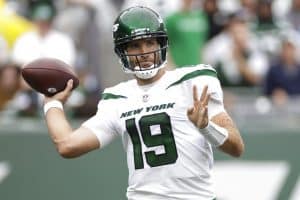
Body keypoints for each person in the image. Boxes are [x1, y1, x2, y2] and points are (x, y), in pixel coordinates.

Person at [43, 6, 244, 200]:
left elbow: (237, 147)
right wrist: (52, 104)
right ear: (123, 51)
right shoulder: (117, 98)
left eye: (150, 43)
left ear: (161, 44)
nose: (144, 51)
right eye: (135, 45)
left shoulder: (193, 81)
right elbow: (67, 145)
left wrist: (206, 127)